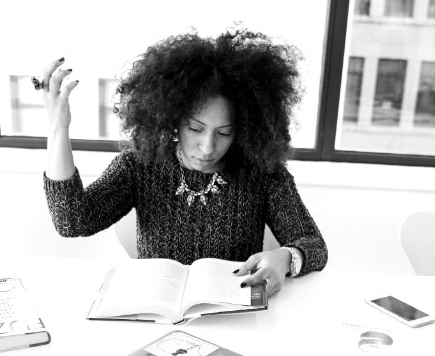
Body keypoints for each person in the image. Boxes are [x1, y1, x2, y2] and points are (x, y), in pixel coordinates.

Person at [38, 28, 327, 297]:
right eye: (195, 128)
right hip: (156, 313)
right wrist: (58, 130)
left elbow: (314, 246)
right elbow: (71, 221)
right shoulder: (140, 165)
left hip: (233, 315)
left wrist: (285, 257)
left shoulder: (262, 174)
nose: (207, 146)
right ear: (173, 119)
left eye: (224, 132)